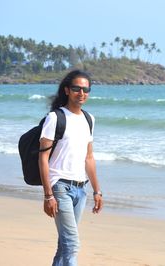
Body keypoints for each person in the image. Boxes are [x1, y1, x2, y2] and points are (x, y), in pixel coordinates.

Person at [38, 70, 103, 266]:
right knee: (72, 244)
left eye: (86, 89)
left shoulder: (89, 119)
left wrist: (97, 191)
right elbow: (43, 157)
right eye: (76, 88)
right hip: (59, 188)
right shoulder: (55, 118)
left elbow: (89, 158)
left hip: (80, 190)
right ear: (67, 90)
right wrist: (48, 195)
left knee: (64, 244)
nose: (81, 93)